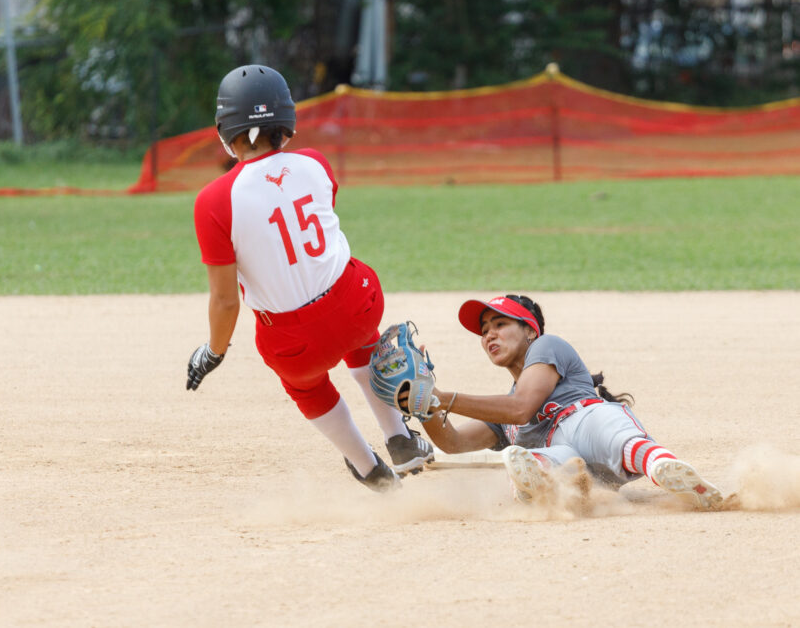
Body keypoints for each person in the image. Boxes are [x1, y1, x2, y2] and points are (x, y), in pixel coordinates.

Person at [186, 64, 433, 492]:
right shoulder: (315, 163)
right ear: (287, 122)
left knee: (306, 386)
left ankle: (368, 468)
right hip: (357, 304)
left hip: (295, 343)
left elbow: (227, 302)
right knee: (357, 327)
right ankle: (399, 437)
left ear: (224, 130)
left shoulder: (213, 201)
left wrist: (213, 352)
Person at [410, 294, 723, 510]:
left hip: (586, 423)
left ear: (530, 331)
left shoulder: (548, 345)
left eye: (500, 324)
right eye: (484, 330)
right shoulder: (500, 408)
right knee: (550, 457)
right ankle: (534, 478)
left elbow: (521, 410)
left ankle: (665, 468)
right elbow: (452, 442)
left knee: (604, 428)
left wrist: (444, 399)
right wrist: (422, 402)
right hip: (586, 473)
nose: (489, 335)